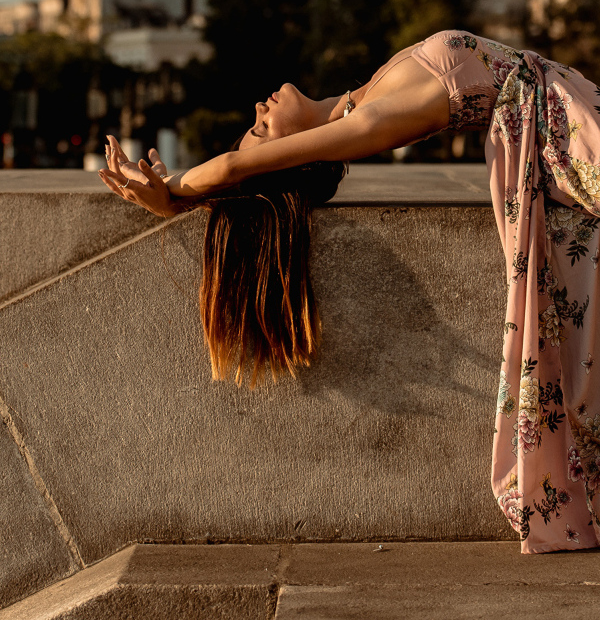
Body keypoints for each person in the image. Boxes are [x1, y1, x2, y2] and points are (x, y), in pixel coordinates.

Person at [99, 30, 600, 556]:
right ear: (296, 154)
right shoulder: (369, 122)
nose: (259, 108)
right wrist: (178, 190)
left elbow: (240, 167)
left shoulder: (365, 97)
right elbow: (233, 167)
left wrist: (179, 194)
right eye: (262, 128)